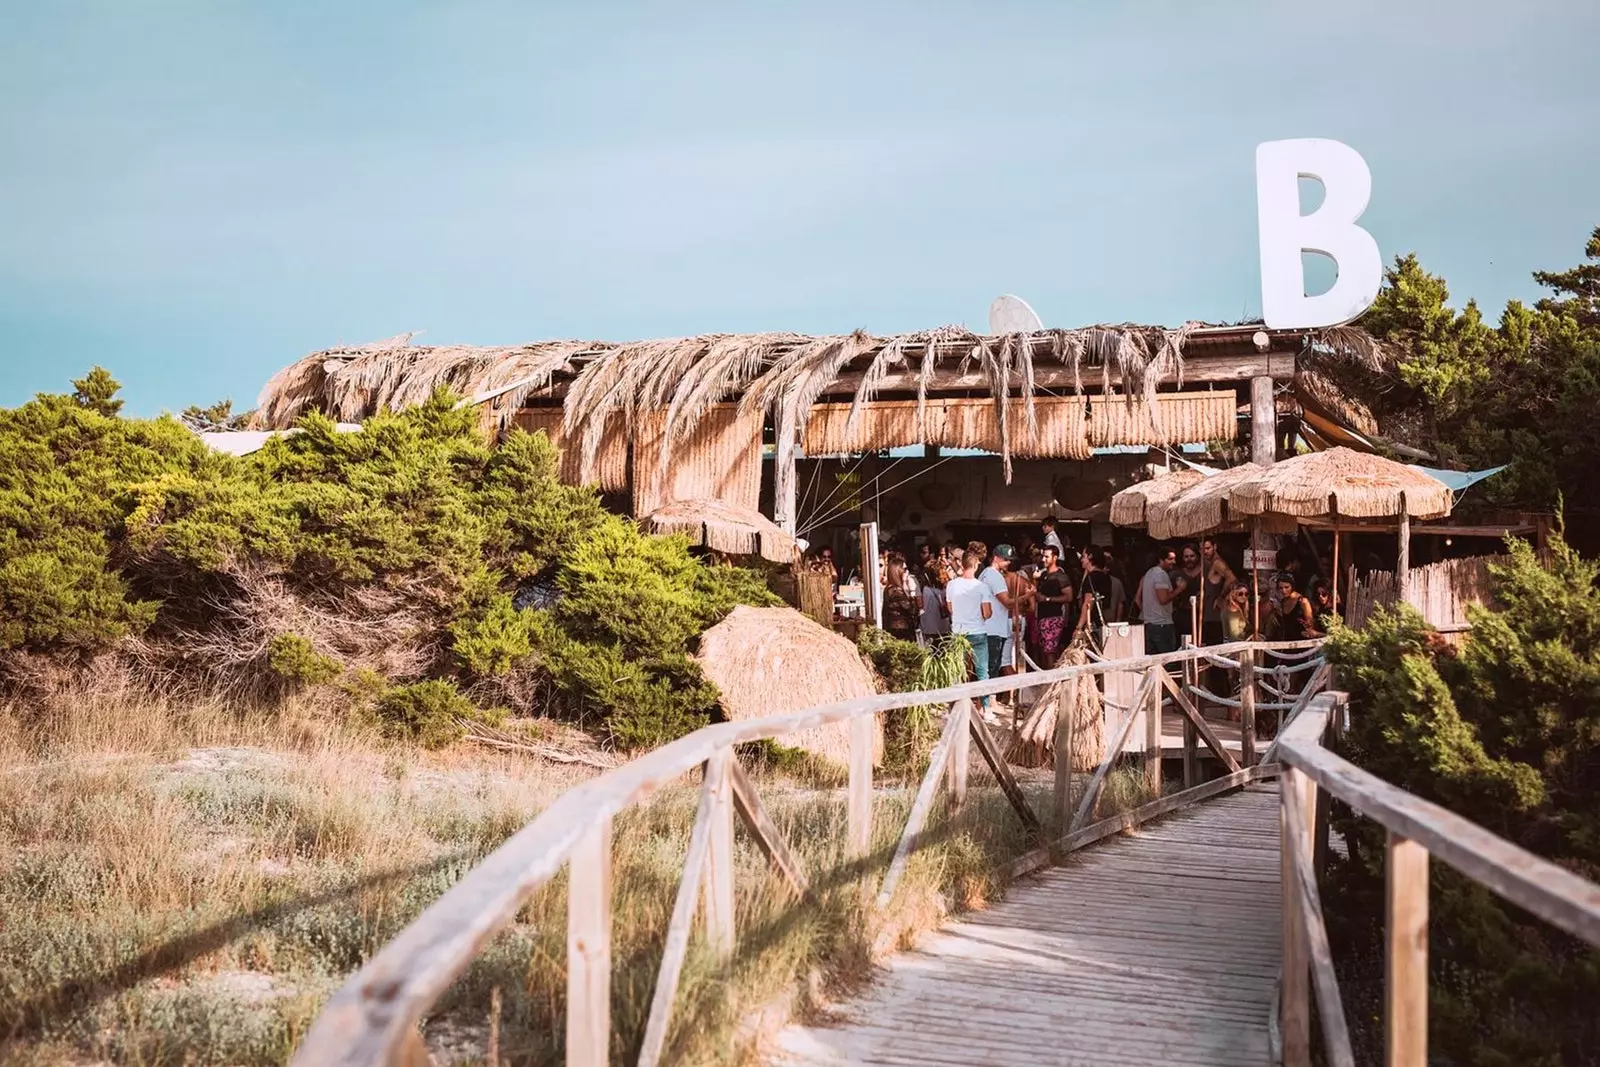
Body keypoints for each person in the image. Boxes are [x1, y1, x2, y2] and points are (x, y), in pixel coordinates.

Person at [946, 552, 994, 708]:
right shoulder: (982, 587)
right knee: (982, 671)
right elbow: (987, 613)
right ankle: (985, 707)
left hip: (959, 632)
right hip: (978, 631)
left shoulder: (952, 585)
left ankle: (956, 706)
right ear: (976, 565)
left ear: (961, 564)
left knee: (957, 670)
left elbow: (950, 608)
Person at [978, 545, 1017, 687]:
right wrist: (1028, 595)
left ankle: (987, 701)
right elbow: (1007, 602)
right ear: (996, 558)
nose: (1008, 563)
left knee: (988, 667)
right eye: (1006, 559)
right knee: (992, 667)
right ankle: (988, 701)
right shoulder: (994, 575)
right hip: (994, 628)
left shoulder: (985, 574)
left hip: (989, 627)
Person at [1135, 546, 1183, 654]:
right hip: (1162, 624)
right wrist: (1179, 589)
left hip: (1149, 624)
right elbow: (1163, 599)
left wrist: (1147, 612)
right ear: (1161, 560)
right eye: (1170, 559)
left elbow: (1137, 599)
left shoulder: (1147, 574)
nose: (1174, 562)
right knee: (1168, 660)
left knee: (1152, 661)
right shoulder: (1160, 575)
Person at [1034, 545, 1073, 666]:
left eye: (1047, 556)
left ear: (1054, 557)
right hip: (1042, 617)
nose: (1043, 559)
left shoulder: (1061, 576)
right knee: (1044, 650)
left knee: (1050, 651)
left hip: (1053, 617)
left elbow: (1069, 597)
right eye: (1043, 556)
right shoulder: (1043, 575)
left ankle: (1053, 681)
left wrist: (1047, 599)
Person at [1199, 538, 1237, 647]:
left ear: (1214, 547)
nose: (1204, 552)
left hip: (1215, 615)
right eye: (1202, 549)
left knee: (1215, 646)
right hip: (1209, 613)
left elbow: (1232, 578)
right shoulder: (1208, 564)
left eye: (1207, 548)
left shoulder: (1217, 563)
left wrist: (1221, 597)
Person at [1078, 546, 1116, 651]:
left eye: (1083, 556)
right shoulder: (1106, 577)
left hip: (1093, 623)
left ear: (1090, 557)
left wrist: (1079, 627)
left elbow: (1088, 603)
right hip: (1105, 621)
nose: (1081, 559)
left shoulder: (1091, 578)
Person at [1266, 572, 1316, 641]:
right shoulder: (1282, 602)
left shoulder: (1303, 601)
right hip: (1287, 641)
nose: (1284, 591)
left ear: (1292, 586)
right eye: (1280, 588)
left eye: (1287, 587)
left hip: (1301, 641)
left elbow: (1310, 624)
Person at [881, 555, 919, 641]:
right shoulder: (896, 591)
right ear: (898, 571)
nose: (907, 572)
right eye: (904, 569)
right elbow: (913, 610)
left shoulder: (890, 588)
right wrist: (912, 591)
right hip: (901, 631)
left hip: (894, 629)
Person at [1173, 543, 1203, 644]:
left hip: (1202, 615)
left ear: (1197, 556)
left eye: (1192, 556)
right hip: (1183, 615)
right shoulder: (1177, 574)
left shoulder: (1205, 572)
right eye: (1186, 557)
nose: (1189, 559)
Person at [919, 561, 951, 642]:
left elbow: (923, 608)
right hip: (944, 627)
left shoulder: (926, 590)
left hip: (929, 628)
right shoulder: (946, 589)